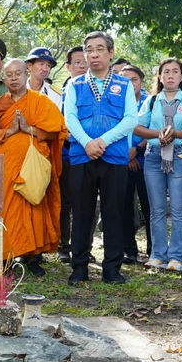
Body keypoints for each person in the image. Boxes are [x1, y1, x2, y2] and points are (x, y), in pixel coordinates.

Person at [65, 31, 138, 285]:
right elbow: (70, 118)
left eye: (99, 49)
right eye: (88, 50)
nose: (93, 54)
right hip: (81, 156)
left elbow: (131, 119)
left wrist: (103, 142)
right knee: (82, 213)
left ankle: (112, 269)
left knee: (113, 212)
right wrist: (87, 143)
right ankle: (79, 268)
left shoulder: (124, 85)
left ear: (110, 52)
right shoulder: (74, 85)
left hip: (114, 157)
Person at [0, 59, 67, 275]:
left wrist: (29, 129)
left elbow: (56, 131)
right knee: (7, 209)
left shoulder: (41, 101)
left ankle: (33, 257)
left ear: (25, 74)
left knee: (35, 205)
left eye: (17, 74)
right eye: (9, 75)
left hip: (34, 166)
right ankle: (7, 256)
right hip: (7, 166)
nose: (13, 78)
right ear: (4, 78)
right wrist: (9, 131)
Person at [134, 58, 182, 272]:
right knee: (156, 210)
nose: (170, 75)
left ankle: (177, 256)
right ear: (159, 77)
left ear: (181, 77)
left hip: (181, 155)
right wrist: (157, 135)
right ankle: (157, 255)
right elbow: (137, 127)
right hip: (153, 156)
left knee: (179, 210)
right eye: (166, 72)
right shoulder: (151, 101)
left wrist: (175, 134)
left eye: (175, 71)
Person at [58, 47, 87, 263]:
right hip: (67, 155)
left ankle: (84, 247)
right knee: (66, 203)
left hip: (94, 153)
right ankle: (64, 246)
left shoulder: (96, 90)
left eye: (85, 61)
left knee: (86, 206)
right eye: (77, 62)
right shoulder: (61, 93)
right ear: (68, 67)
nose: (83, 66)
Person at [121, 65, 151, 265]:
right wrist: (128, 155)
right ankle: (128, 250)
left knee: (150, 206)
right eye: (126, 80)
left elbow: (154, 129)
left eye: (134, 79)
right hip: (123, 161)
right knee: (124, 206)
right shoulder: (116, 101)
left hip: (147, 161)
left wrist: (137, 151)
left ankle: (153, 249)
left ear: (141, 81)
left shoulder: (150, 101)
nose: (130, 84)